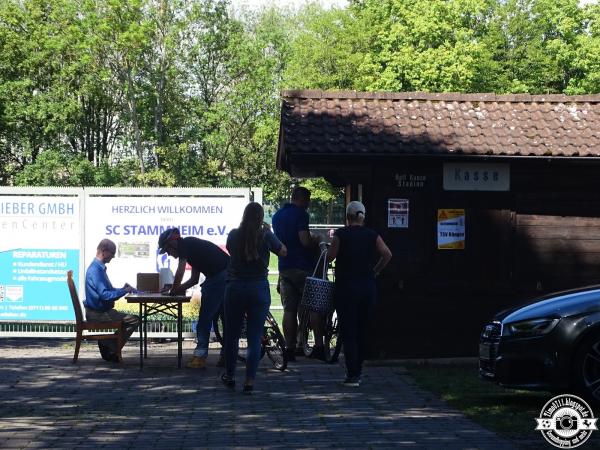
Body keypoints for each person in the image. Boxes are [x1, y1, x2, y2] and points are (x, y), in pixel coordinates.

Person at [221, 202, 287, 393]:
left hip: (235, 288)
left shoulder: (233, 234)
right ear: (261, 217)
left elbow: (231, 250)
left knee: (232, 335)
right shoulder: (266, 235)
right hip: (258, 289)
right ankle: (249, 381)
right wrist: (268, 232)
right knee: (255, 337)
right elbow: (283, 251)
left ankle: (230, 375)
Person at [326, 201, 392, 387]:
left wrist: (325, 249)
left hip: (346, 288)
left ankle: (352, 373)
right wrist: (375, 271)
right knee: (362, 330)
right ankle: (359, 369)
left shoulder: (341, 234)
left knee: (349, 331)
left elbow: (330, 257)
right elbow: (387, 254)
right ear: (362, 216)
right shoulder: (372, 235)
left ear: (347, 216)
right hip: (367, 288)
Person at [158, 227, 230, 369]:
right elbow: (194, 280)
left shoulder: (185, 245)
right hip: (228, 274)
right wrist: (175, 290)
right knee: (225, 318)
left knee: (204, 319)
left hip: (218, 277)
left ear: (173, 243)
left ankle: (200, 357)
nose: (169, 255)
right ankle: (227, 356)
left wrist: (173, 291)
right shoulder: (192, 248)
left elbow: (180, 271)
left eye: (167, 250)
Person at [272, 186, 324, 361]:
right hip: (303, 267)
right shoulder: (301, 214)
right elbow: (304, 240)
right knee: (313, 305)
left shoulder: (277, 216)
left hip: (284, 268)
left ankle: (290, 348)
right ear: (301, 199)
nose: (308, 204)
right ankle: (318, 346)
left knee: (289, 310)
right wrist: (315, 240)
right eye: (307, 201)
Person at [84, 239, 140, 363]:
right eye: (112, 253)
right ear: (104, 251)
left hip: (99, 311)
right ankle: (109, 345)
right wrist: (124, 291)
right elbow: (105, 295)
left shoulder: (97, 268)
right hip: (98, 314)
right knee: (135, 319)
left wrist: (122, 289)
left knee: (130, 319)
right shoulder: (96, 270)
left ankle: (109, 345)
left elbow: (106, 291)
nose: (113, 256)